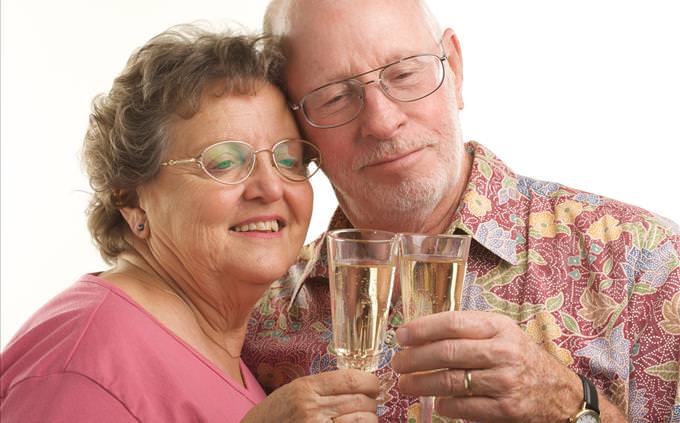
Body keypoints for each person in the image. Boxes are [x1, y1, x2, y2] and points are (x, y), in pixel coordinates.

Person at [241, 1, 680, 422]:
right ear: (297, 127)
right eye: (334, 97)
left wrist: (571, 406)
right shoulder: (257, 315)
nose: (382, 121)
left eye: (405, 74)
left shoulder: (643, 261)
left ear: (454, 66)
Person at [0, 25, 380, 422]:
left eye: (288, 160)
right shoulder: (83, 367)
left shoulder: (224, 348)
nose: (270, 187)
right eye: (224, 162)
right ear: (131, 199)